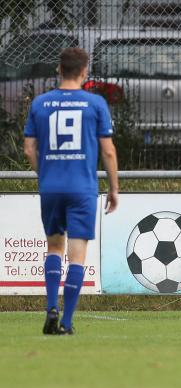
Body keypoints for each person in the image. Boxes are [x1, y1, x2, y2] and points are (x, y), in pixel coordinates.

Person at [24, 47, 119, 335]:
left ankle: (51, 307)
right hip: (82, 188)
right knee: (77, 254)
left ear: (58, 70)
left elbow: (29, 148)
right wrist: (114, 188)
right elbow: (108, 151)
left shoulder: (40, 103)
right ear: (84, 72)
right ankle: (66, 322)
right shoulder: (95, 103)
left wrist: (45, 174)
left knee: (54, 247)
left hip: (51, 186)